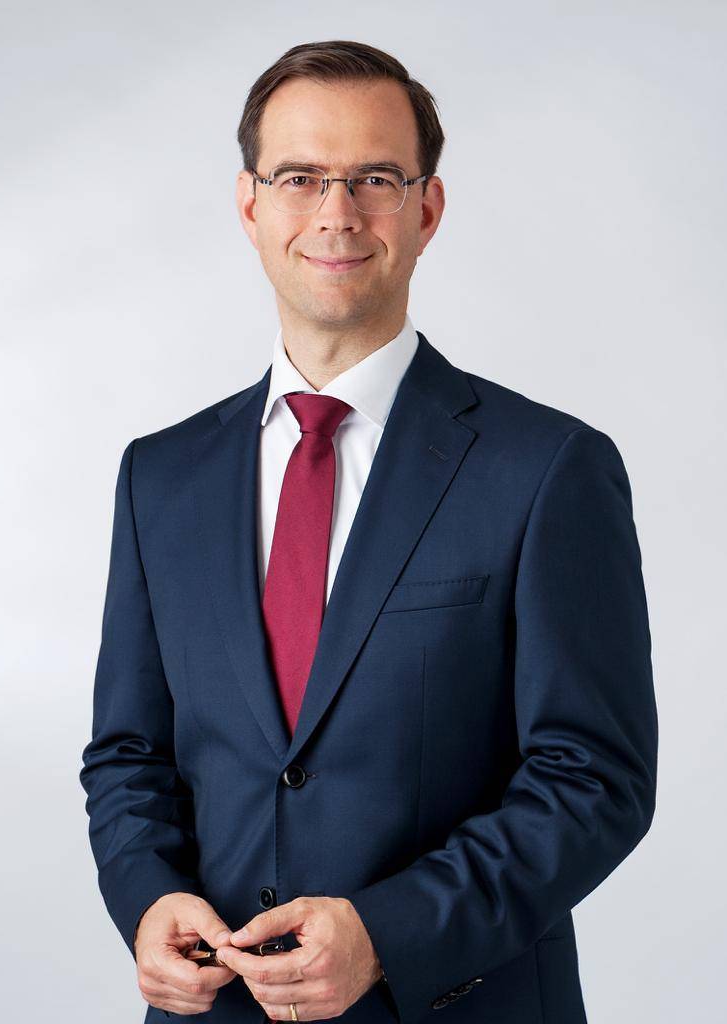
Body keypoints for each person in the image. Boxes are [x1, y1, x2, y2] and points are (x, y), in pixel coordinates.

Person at [80, 39, 658, 1024]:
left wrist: (389, 932)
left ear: (426, 210)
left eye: (375, 178)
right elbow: (130, 753)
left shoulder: (548, 468)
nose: (336, 212)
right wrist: (147, 896)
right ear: (250, 205)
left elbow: (594, 778)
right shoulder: (160, 476)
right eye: (300, 177)